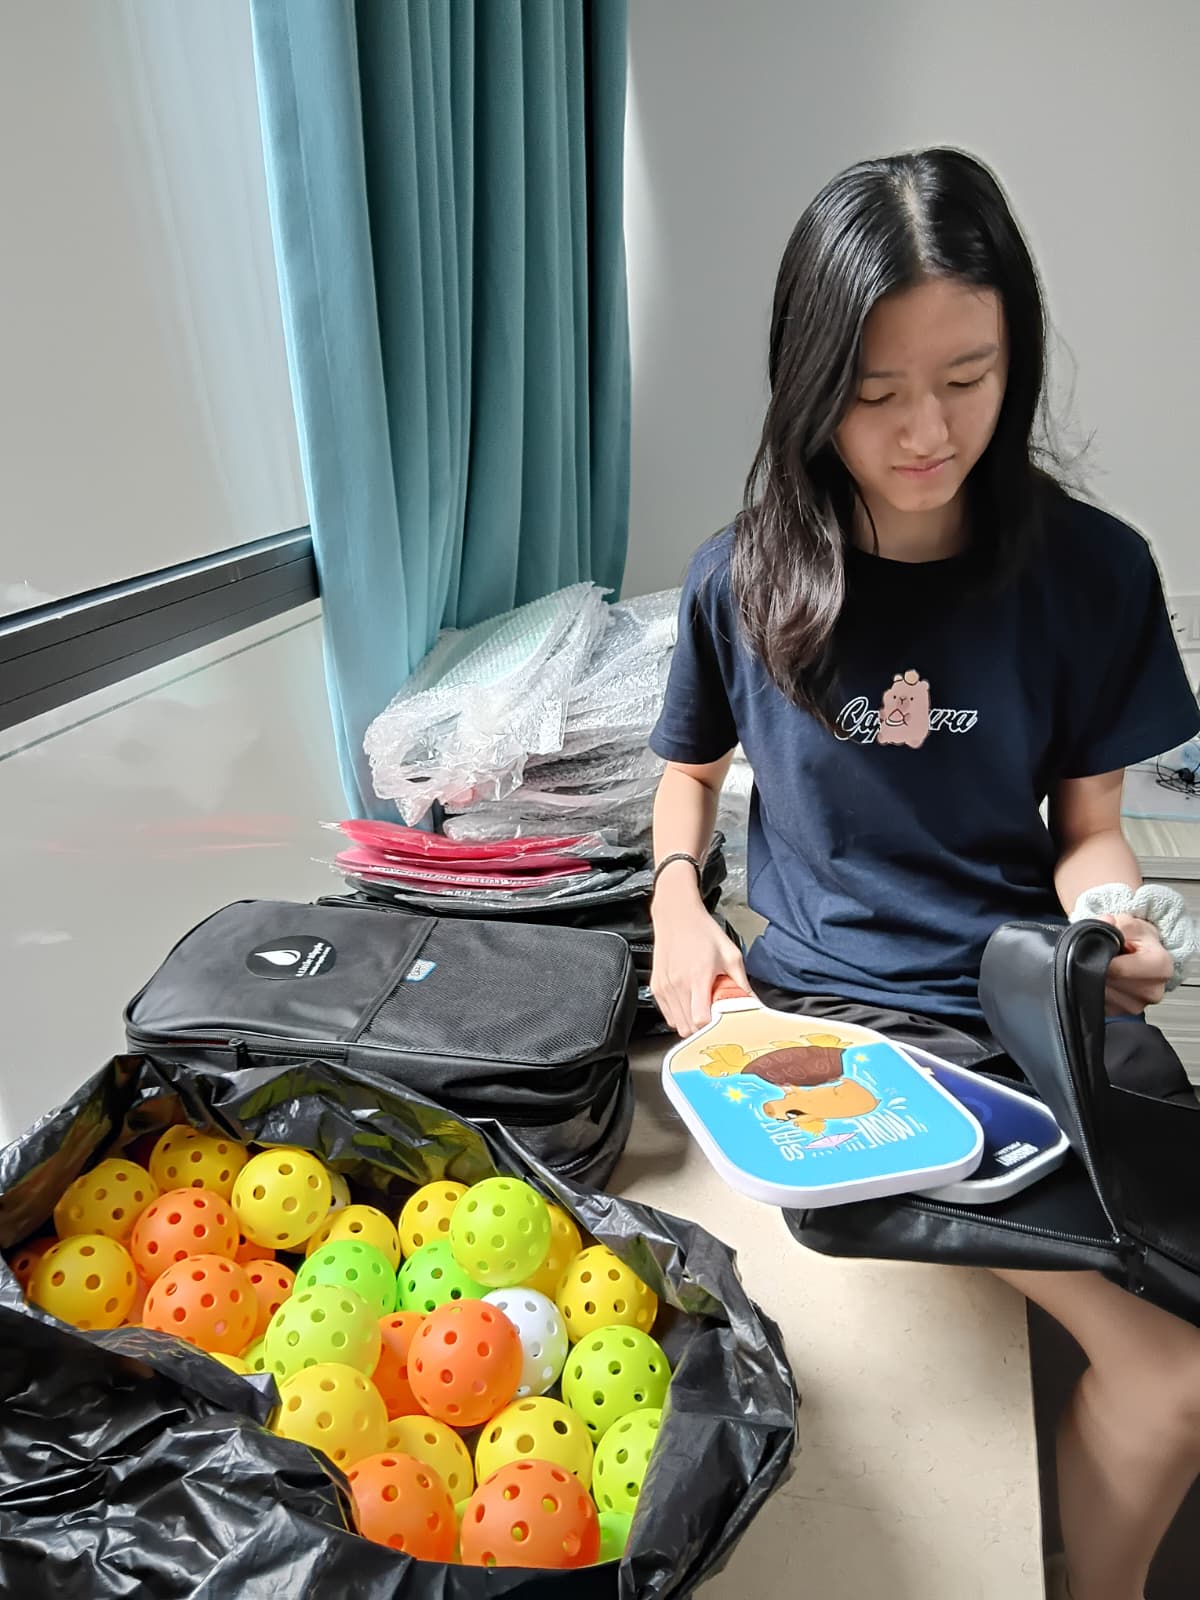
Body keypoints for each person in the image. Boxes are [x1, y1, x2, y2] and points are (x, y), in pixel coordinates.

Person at [646, 147, 1200, 1600]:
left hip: (1029, 1006)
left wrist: (1109, 917)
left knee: (1178, 1310)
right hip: (838, 1035)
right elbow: (688, 774)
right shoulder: (741, 575)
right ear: (808, 383)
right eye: (876, 390)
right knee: (1174, 1380)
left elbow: (1089, 826)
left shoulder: (1094, 572)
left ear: (1018, 352)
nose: (927, 431)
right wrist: (677, 904)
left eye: (969, 377)